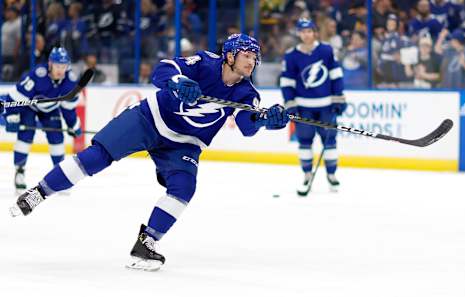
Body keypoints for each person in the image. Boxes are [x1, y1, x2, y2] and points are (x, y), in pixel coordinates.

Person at [9, 34, 289, 271]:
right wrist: (177, 83)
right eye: (246, 55)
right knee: (97, 157)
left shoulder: (247, 93)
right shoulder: (203, 63)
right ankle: (38, 192)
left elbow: (247, 126)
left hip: (184, 142)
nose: (252, 61)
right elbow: (162, 71)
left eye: (255, 57)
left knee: (183, 188)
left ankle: (147, 242)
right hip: (150, 118)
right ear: (229, 55)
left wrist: (266, 120)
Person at [279, 18, 346, 195]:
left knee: (330, 142)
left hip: (326, 106)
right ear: (299, 33)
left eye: (309, 31)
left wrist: (338, 98)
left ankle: (332, 175)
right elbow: (287, 82)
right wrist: (290, 103)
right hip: (303, 108)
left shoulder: (326, 50)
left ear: (314, 32)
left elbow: (336, 75)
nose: (306, 34)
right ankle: (307, 174)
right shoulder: (291, 55)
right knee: (305, 142)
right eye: (303, 31)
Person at [2, 47, 82, 192]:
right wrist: (11, 116)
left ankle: (60, 176)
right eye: (58, 66)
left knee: (57, 138)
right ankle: (19, 172)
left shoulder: (70, 81)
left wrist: (73, 125)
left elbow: (68, 108)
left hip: (50, 110)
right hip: (29, 108)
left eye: (64, 66)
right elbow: (15, 96)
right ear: (50, 63)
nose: (60, 70)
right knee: (25, 136)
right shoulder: (37, 75)